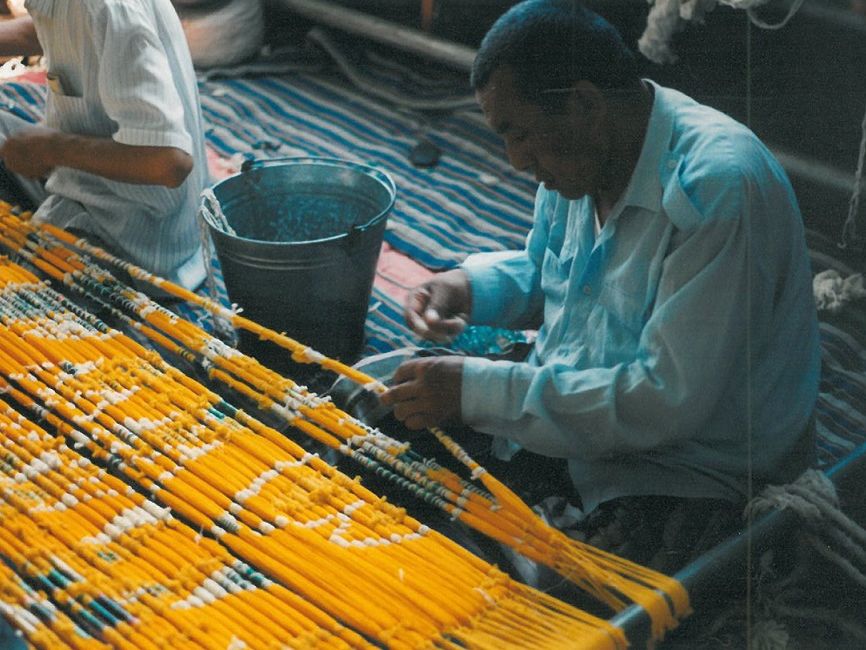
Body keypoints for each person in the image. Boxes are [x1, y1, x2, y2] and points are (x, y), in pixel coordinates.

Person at [381, 0, 820, 573]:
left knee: (533, 595)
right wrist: (466, 287)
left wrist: (477, 392)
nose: (516, 160)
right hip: (583, 417)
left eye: (520, 135)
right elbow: (557, 277)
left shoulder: (716, 188)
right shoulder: (579, 158)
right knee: (380, 408)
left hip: (686, 464)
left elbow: (663, 399)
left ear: (585, 104)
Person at [0, 0, 209, 291]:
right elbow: (52, 28)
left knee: (25, 301)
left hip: (135, 243)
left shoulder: (104, 7)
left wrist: (50, 149)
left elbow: (170, 162)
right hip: (81, 186)